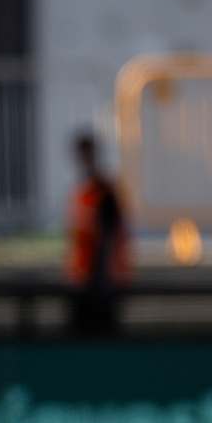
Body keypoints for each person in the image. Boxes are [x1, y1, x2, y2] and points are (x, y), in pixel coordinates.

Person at [65, 131, 132, 336]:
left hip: (98, 282)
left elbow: (111, 238)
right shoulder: (83, 191)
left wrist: (103, 281)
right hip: (86, 278)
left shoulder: (102, 191)